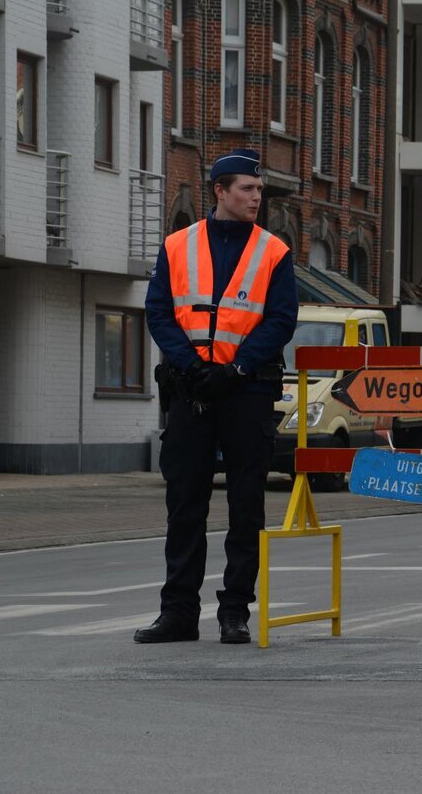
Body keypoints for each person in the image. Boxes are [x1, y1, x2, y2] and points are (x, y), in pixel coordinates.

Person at [136, 149, 298, 645]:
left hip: (245, 392)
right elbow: (159, 313)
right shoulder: (177, 245)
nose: (256, 197)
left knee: (246, 505)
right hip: (191, 392)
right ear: (219, 192)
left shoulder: (274, 251)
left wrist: (237, 368)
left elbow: (281, 320)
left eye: (258, 189)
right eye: (247, 189)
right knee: (185, 504)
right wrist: (193, 366)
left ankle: (235, 613)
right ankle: (179, 613)